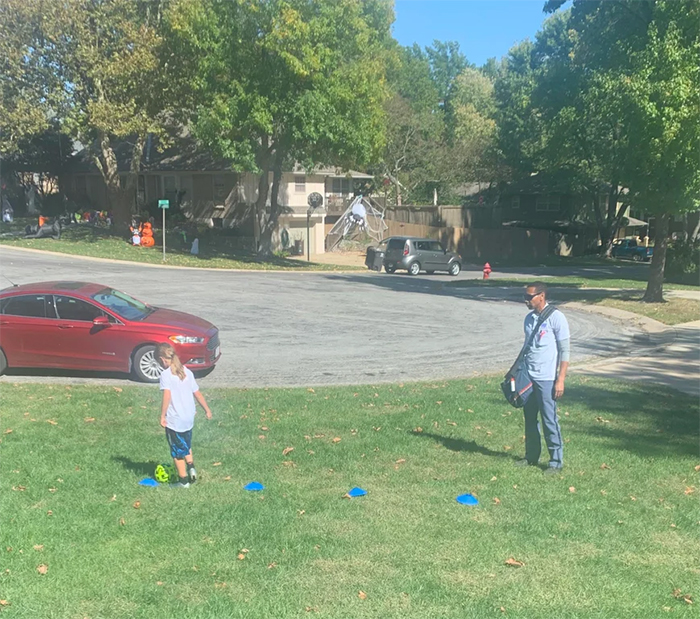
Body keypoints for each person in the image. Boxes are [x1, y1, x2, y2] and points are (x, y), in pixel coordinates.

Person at [516, 282, 570, 475]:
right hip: (529, 377)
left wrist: (560, 379)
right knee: (530, 418)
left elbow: (565, 351)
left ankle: (555, 461)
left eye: (529, 297)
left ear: (541, 296)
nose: (526, 300)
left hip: (547, 378)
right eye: (525, 296)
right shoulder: (529, 319)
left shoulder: (557, 318)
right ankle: (531, 456)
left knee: (549, 420)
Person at [156, 342, 212, 488]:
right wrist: (207, 409)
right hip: (189, 417)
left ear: (163, 359)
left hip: (176, 419)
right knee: (186, 443)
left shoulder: (166, 375)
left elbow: (167, 396)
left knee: (177, 451)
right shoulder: (187, 371)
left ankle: (183, 481)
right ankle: (191, 467)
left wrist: (163, 416)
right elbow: (197, 393)